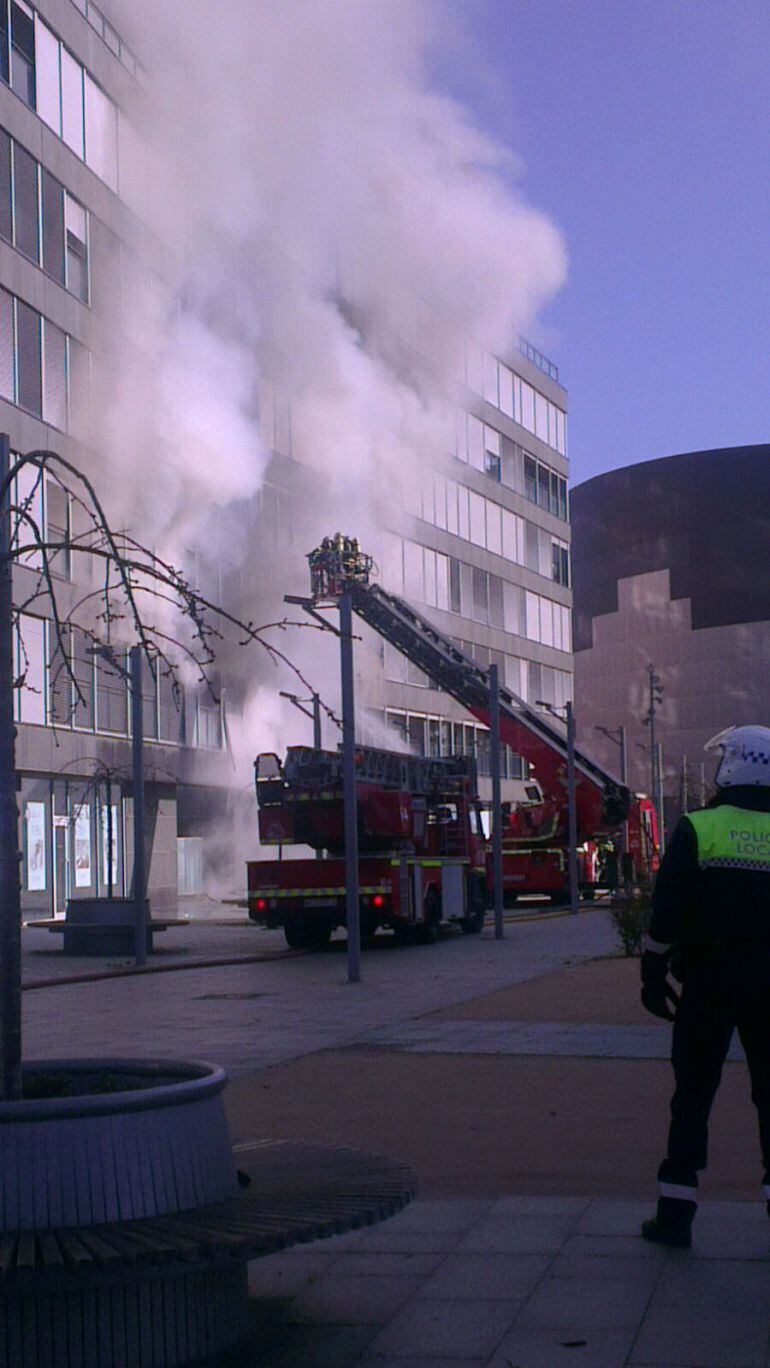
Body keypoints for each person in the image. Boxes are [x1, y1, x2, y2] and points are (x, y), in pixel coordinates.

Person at [640, 724, 770, 1248]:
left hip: (709, 984)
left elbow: (665, 912)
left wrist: (652, 974)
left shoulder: (698, 827)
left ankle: (675, 1218)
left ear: (732, 764)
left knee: (692, 1096)